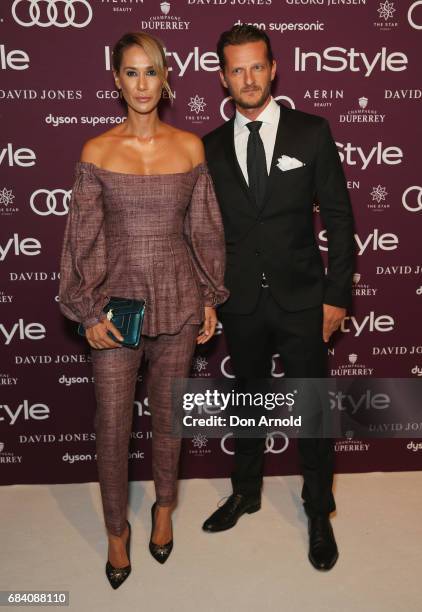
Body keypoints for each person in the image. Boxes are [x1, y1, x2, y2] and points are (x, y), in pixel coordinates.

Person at [58, 31, 229, 589]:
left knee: (169, 420)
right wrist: (86, 312)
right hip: (117, 307)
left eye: (151, 72)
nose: (142, 84)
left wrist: (209, 296)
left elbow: (203, 231)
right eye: (131, 72)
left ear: (165, 78)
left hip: (179, 301)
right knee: (112, 425)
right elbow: (81, 241)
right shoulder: (97, 151)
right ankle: (114, 531)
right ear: (115, 79)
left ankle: (162, 509)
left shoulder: (190, 148)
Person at [201, 25, 355, 571]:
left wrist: (336, 296)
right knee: (247, 403)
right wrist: (206, 296)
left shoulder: (311, 132)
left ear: (273, 69)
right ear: (223, 77)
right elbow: (200, 232)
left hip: (303, 300)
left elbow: (338, 218)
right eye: (236, 69)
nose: (248, 78)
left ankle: (317, 509)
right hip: (238, 301)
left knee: (313, 408)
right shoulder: (209, 147)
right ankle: (245, 492)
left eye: (256, 66)